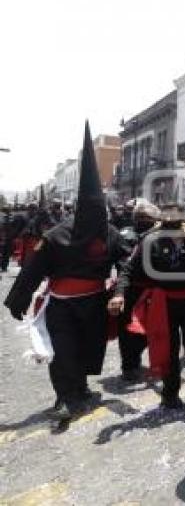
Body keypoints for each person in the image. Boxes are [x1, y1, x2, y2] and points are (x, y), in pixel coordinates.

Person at [4, 123, 128, 422]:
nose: (99, 217)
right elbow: (33, 269)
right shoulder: (57, 235)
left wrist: (121, 291)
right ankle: (63, 396)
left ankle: (81, 388)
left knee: (88, 349)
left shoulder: (109, 232)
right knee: (63, 351)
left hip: (96, 303)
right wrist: (18, 299)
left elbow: (127, 262)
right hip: (62, 304)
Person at [110, 203, 185, 409]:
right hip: (164, 303)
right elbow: (128, 269)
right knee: (169, 349)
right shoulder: (149, 240)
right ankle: (170, 393)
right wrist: (119, 294)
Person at [113, 199, 159, 382]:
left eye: (147, 217)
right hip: (130, 289)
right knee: (127, 330)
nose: (143, 220)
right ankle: (129, 365)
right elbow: (123, 264)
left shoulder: (156, 236)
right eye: (140, 216)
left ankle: (134, 361)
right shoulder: (125, 235)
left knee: (149, 330)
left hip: (152, 290)